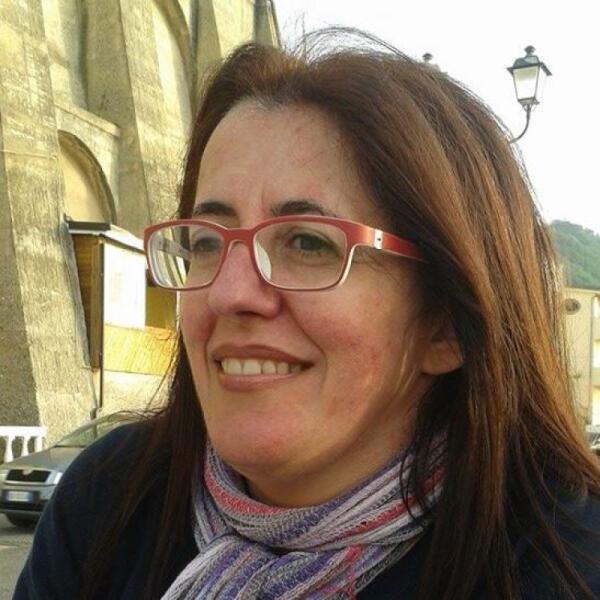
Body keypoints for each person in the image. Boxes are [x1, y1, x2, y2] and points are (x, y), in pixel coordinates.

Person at [14, 30, 600, 600]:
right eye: (206, 243)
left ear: (446, 324)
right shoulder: (110, 498)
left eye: (308, 242)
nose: (229, 294)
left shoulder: (567, 566)